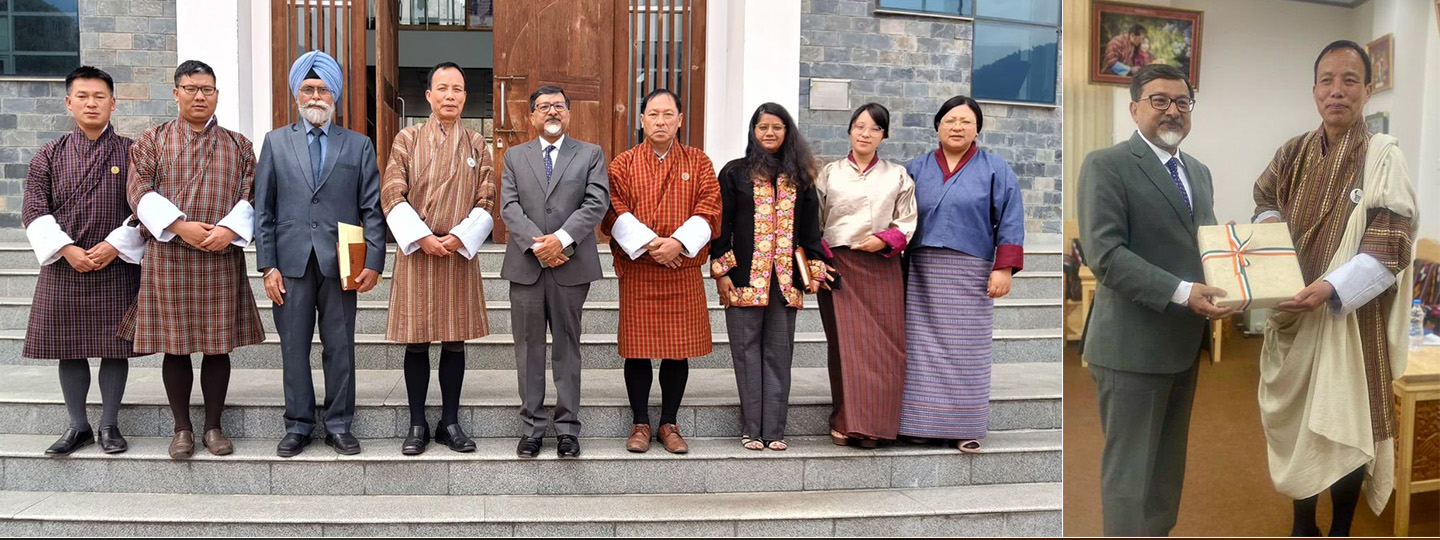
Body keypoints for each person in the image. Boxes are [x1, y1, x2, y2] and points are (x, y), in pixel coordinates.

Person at [1253, 40, 1417, 538]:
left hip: (1351, 318)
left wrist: (1329, 287)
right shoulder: (1292, 152)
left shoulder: (1383, 155)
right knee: (1300, 422)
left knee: (1346, 429)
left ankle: (1342, 527)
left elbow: (1392, 242)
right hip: (1293, 314)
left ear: (1368, 90)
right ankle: (1303, 523)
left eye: (1350, 80)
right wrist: (1271, 250)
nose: (1337, 91)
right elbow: (1264, 202)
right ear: (1314, 91)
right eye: (1327, 80)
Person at [1077, 64, 1233, 536]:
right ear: (1134, 108)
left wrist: (1237, 282)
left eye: (1182, 102)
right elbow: (1105, 256)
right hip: (1132, 346)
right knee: (1130, 472)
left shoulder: (1199, 172)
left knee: (1166, 465)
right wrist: (1184, 293)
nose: (1173, 111)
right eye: (1160, 100)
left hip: (1183, 344)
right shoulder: (1107, 164)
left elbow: (1205, 245)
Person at [122, 60, 266, 460]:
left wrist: (227, 231)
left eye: (207, 89)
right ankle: (182, 428)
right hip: (169, 255)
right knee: (176, 347)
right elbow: (139, 192)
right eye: (191, 88)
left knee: (218, 347)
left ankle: (214, 427)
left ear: (217, 94)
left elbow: (251, 193)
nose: (199, 96)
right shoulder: (151, 140)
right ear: (176, 93)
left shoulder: (239, 145)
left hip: (220, 254)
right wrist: (181, 226)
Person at [255, 51, 385, 457]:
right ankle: (298, 424)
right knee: (293, 347)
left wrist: (374, 261)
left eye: (322, 89)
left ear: (336, 96)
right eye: (308, 89)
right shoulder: (275, 142)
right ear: (297, 94)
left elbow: (371, 208)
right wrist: (267, 265)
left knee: (340, 346)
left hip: (341, 262)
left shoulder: (359, 144)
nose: (315, 96)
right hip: (290, 262)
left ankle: (339, 424)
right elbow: (264, 209)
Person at [22, 66, 145, 455]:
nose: (91, 103)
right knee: (68, 347)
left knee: (114, 347)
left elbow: (147, 204)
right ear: (69, 102)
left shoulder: (133, 152)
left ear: (113, 102)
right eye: (83, 96)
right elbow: (34, 208)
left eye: (99, 96)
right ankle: (78, 426)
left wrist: (116, 243)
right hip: (65, 262)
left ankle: (109, 425)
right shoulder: (49, 154)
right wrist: (65, 249)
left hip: (116, 260)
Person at [381, 62, 497, 455]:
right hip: (418, 251)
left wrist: (459, 237)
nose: (451, 95)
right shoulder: (407, 139)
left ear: (465, 97)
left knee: (454, 341)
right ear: (429, 96)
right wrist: (423, 237)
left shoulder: (477, 143)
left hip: (457, 253)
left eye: (458, 89)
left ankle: (449, 422)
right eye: (443, 88)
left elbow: (487, 197)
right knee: (416, 342)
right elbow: (393, 192)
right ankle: (417, 423)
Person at [897, 96, 1023, 455]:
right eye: (950, 120)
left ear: (977, 129)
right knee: (921, 350)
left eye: (966, 122)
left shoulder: (996, 169)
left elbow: (1011, 218)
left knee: (968, 351)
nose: (957, 127)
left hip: (972, 273)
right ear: (937, 126)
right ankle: (919, 425)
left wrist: (1004, 267)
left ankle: (964, 425)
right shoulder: (914, 168)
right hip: (921, 272)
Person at [602, 88, 721, 454]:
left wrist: (679, 244)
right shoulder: (622, 164)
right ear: (641, 120)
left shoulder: (699, 162)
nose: (660, 121)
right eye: (653, 114)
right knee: (636, 351)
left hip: (681, 268)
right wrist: (656, 246)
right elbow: (613, 210)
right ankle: (640, 422)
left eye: (668, 114)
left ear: (680, 120)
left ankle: (669, 422)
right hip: (640, 268)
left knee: (677, 350)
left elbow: (710, 208)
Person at [500, 84, 609, 459]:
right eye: (544, 106)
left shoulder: (590, 154)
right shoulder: (514, 156)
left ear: (569, 113)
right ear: (531, 116)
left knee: (567, 349)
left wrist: (560, 241)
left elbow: (596, 203)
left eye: (558, 106)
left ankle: (567, 429)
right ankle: (532, 428)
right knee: (528, 350)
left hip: (571, 266)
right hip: (527, 266)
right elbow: (509, 207)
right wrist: (539, 245)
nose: (552, 112)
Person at [710, 102, 826, 452]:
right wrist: (721, 272)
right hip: (744, 281)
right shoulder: (734, 173)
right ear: (753, 132)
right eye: (763, 127)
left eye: (777, 127)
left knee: (778, 354)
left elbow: (811, 233)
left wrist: (815, 272)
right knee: (746, 355)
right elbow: (720, 228)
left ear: (787, 132)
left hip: (785, 284)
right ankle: (751, 429)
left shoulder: (801, 179)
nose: (770, 133)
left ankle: (775, 430)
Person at [815, 102, 916, 448]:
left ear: (884, 135)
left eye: (874, 128)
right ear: (849, 130)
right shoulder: (829, 173)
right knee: (844, 347)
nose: (865, 133)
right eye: (859, 126)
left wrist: (884, 240)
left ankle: (877, 424)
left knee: (886, 348)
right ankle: (847, 420)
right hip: (839, 266)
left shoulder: (897, 174)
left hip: (883, 266)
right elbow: (813, 222)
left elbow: (907, 221)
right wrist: (822, 257)